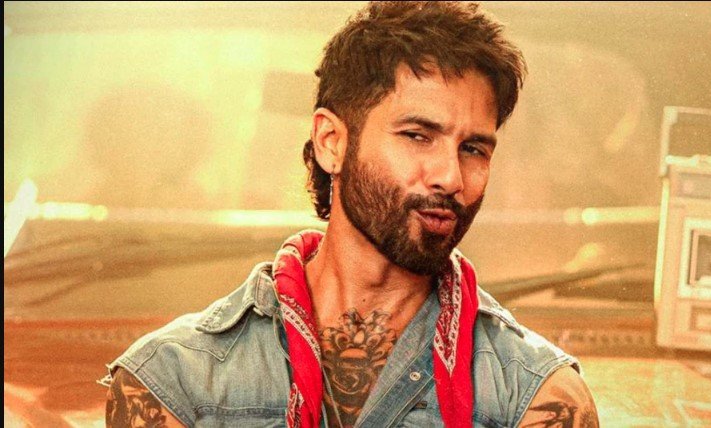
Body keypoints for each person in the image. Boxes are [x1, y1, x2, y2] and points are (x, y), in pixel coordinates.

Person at [103, 2, 599, 427]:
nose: (451, 177)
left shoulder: (536, 396)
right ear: (332, 142)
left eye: (473, 149)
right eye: (417, 136)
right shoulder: (174, 382)